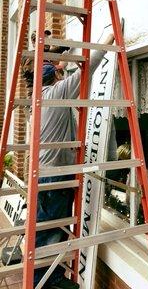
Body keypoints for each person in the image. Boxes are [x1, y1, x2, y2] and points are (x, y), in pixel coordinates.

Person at [34, 33, 114, 289]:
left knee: (47, 226)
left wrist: (57, 54)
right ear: (56, 77)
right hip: (55, 174)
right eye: (60, 72)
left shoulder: (39, 98)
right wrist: (109, 37)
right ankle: (46, 280)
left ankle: (47, 276)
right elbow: (88, 68)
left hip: (46, 171)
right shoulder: (56, 94)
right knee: (51, 229)